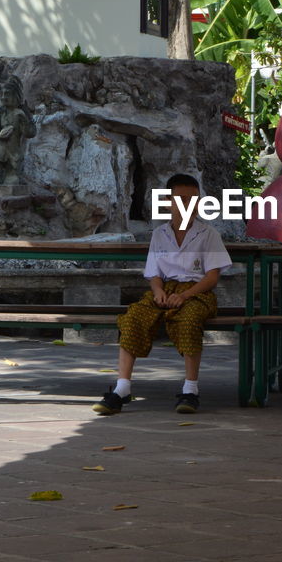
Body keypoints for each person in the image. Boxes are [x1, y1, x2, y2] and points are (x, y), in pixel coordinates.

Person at [94, 174, 232, 416]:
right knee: (133, 317)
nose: (187, 205)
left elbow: (212, 277)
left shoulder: (208, 234)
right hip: (165, 289)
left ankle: (191, 390)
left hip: (197, 292)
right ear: (168, 201)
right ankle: (122, 388)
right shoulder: (160, 234)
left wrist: (186, 295)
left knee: (189, 320)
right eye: (181, 199)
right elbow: (154, 273)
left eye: (193, 200)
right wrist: (157, 291)